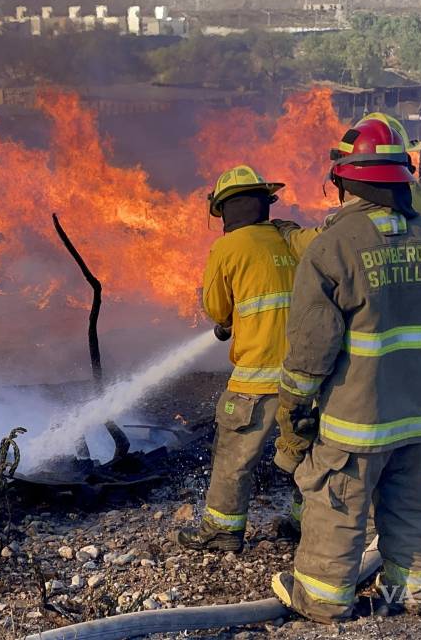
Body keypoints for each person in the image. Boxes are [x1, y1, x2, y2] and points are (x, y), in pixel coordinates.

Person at [269, 117, 421, 621]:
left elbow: (311, 349)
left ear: (342, 181)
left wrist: (293, 407)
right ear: (403, 177)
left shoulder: (331, 247)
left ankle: (323, 599)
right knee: (410, 505)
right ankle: (415, 591)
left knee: (337, 504)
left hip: (357, 420)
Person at [173, 165, 296, 552]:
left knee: (234, 454)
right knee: (308, 453)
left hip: (257, 374)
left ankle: (222, 531)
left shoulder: (227, 248)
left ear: (224, 210)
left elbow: (217, 308)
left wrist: (230, 320)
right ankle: (305, 523)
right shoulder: (291, 240)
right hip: (308, 372)